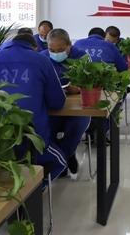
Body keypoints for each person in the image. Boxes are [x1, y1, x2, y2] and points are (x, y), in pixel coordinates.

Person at [0, 33, 68, 180]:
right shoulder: (42, 60)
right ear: (34, 47)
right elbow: (57, 102)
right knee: (60, 163)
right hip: (33, 134)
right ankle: (38, 187)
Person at [41, 28, 90, 178]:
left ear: (69, 45)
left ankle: (64, 156)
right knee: (47, 129)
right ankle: (64, 157)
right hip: (53, 106)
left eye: (60, 50)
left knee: (76, 126)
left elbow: (90, 83)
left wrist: (80, 87)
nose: (56, 53)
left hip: (77, 107)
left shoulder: (82, 57)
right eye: (52, 50)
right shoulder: (42, 58)